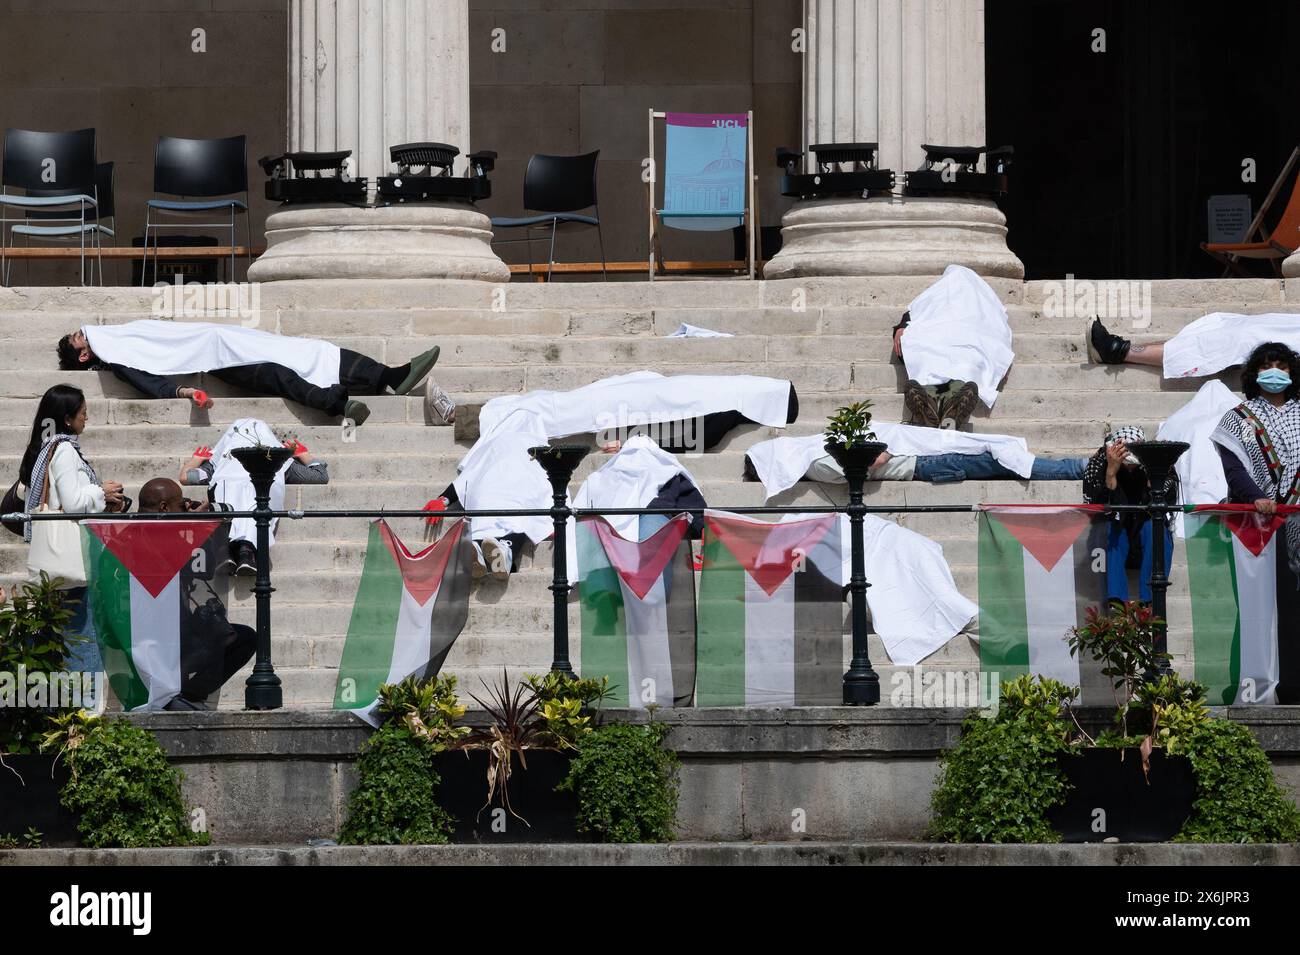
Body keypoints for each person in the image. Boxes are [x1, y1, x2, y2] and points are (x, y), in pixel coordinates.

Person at [57, 319, 443, 426]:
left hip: (227, 339)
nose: (84, 330)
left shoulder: (118, 337)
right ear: (86, 354)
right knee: (277, 372)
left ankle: (388, 376)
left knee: (309, 349)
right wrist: (181, 393)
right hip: (220, 356)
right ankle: (337, 404)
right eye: (78, 337)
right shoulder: (119, 355)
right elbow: (147, 380)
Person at [1210, 343, 1300, 702]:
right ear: (1254, 373)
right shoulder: (1238, 417)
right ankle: (1272, 686)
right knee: (1270, 607)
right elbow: (1233, 469)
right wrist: (1255, 498)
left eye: (1282, 365)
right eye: (1267, 365)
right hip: (1261, 528)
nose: (1274, 371)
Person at [19, 385, 127, 675]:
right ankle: (85, 710)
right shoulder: (64, 450)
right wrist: (100, 492)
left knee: (65, 634)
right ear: (67, 418)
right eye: (83, 413)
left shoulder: (45, 449)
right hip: (73, 555)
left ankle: (64, 706)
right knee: (83, 632)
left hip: (57, 559)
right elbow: (73, 503)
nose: (86, 418)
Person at [137, 478, 255, 711]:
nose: (185, 509)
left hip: (172, 625)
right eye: (180, 505)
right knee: (240, 639)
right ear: (163, 508)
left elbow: (206, 568)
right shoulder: (148, 534)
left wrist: (190, 526)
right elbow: (201, 567)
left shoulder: (126, 529)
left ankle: (186, 696)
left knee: (241, 636)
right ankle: (182, 694)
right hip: (156, 633)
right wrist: (195, 526)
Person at [744, 422, 1084, 498]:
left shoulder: (812, 454)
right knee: (1008, 463)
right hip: (930, 463)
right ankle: (1078, 469)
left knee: (1005, 458)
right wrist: (880, 447)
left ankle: (1077, 467)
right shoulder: (817, 462)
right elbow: (862, 464)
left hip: (929, 458)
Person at [178, 419, 329, 575]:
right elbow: (319, 476)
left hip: (228, 512)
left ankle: (227, 550)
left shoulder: (221, 459)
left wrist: (194, 460)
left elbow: (186, 477)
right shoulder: (278, 458)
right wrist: (304, 455)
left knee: (231, 499)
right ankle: (246, 552)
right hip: (261, 506)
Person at [891, 265, 1014, 429]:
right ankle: (945, 413)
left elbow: (997, 333)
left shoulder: (983, 307)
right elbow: (915, 314)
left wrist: (1002, 360)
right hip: (934, 345)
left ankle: (936, 409)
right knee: (925, 353)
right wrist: (901, 328)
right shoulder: (937, 296)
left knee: (965, 365)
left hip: (966, 352)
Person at [1082, 425, 1177, 606]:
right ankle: (1116, 602)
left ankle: (1150, 602)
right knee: (1109, 526)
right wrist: (1111, 473)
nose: (1131, 468)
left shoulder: (1156, 459)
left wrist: (1154, 473)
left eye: (1135, 464)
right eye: (1127, 464)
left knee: (1154, 526)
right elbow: (1093, 509)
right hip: (1114, 540)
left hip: (1144, 537)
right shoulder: (1098, 464)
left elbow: (1169, 502)